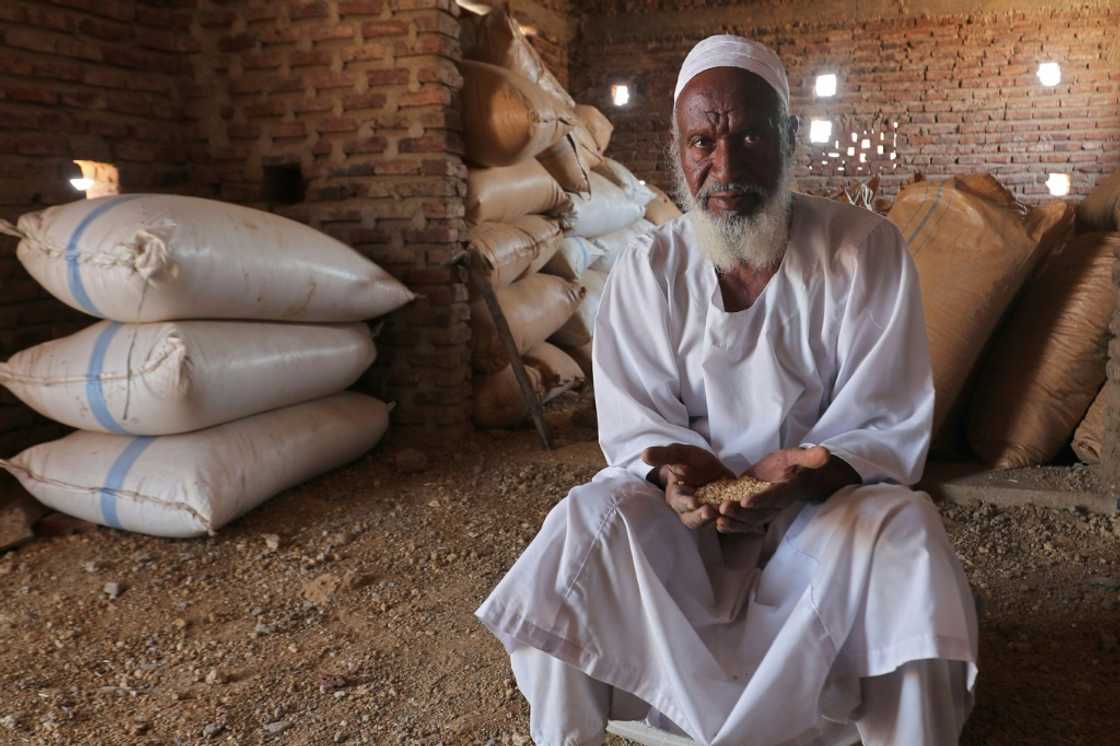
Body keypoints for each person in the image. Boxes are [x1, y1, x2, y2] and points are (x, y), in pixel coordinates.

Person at [476, 34, 978, 746]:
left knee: (907, 533)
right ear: (680, 152)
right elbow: (636, 424)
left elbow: (887, 417)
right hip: (689, 535)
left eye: (749, 136)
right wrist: (675, 471)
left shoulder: (863, 249)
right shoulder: (649, 267)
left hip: (821, 520)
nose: (725, 164)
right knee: (584, 521)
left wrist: (803, 473)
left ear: (790, 137)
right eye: (703, 140)